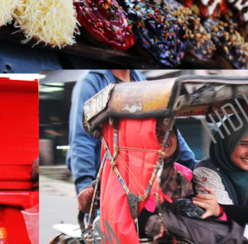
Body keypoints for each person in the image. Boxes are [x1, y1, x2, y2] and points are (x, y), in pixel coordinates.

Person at [67, 70, 196, 214]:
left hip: (146, 182)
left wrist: (195, 167)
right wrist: (85, 185)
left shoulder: (143, 81)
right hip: (109, 186)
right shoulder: (92, 82)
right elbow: (81, 140)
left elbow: (169, 130)